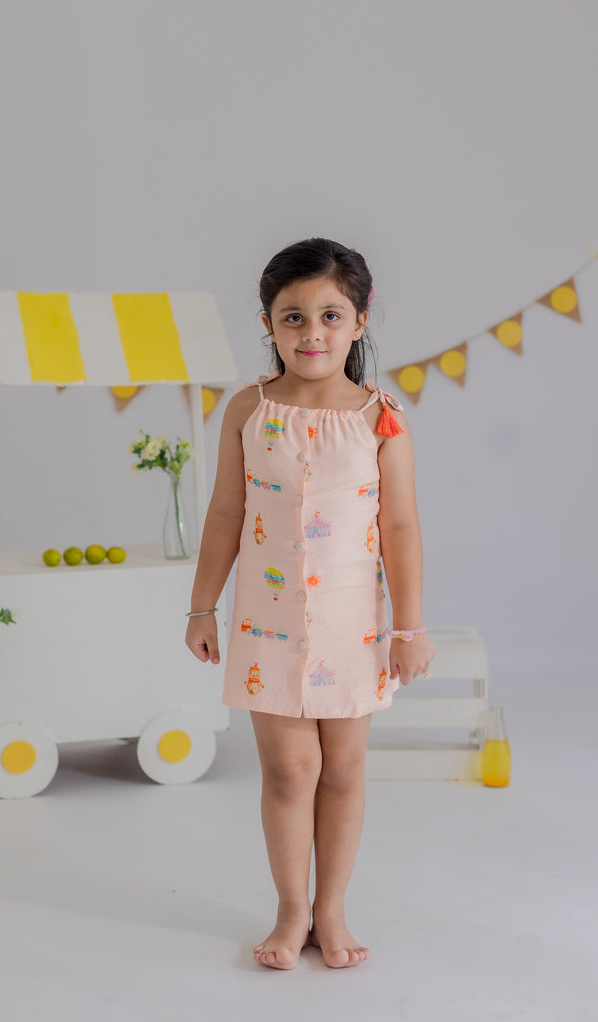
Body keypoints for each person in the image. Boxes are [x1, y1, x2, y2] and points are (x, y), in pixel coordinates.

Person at [186, 237, 435, 970]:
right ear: (268, 324)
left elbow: (400, 528)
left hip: (353, 629)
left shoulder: (381, 417)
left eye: (330, 316)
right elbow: (225, 515)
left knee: (344, 772)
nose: (312, 333)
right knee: (290, 773)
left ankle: (332, 910)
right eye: (292, 317)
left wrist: (409, 629)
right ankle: (292, 910)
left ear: (359, 322)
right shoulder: (248, 407)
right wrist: (201, 607)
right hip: (266, 625)